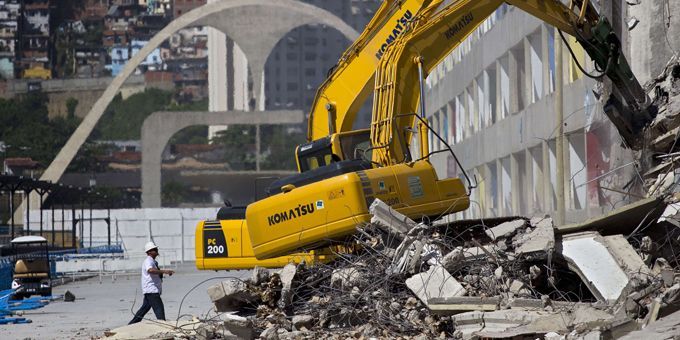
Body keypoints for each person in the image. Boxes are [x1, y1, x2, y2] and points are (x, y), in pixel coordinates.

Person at [129, 241, 175, 324]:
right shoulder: (148, 261)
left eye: (156, 248)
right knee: (159, 309)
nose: (156, 250)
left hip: (150, 290)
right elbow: (150, 270)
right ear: (149, 252)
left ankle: (131, 325)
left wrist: (162, 273)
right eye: (154, 249)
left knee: (143, 310)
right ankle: (164, 326)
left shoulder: (152, 261)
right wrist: (164, 271)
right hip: (152, 290)